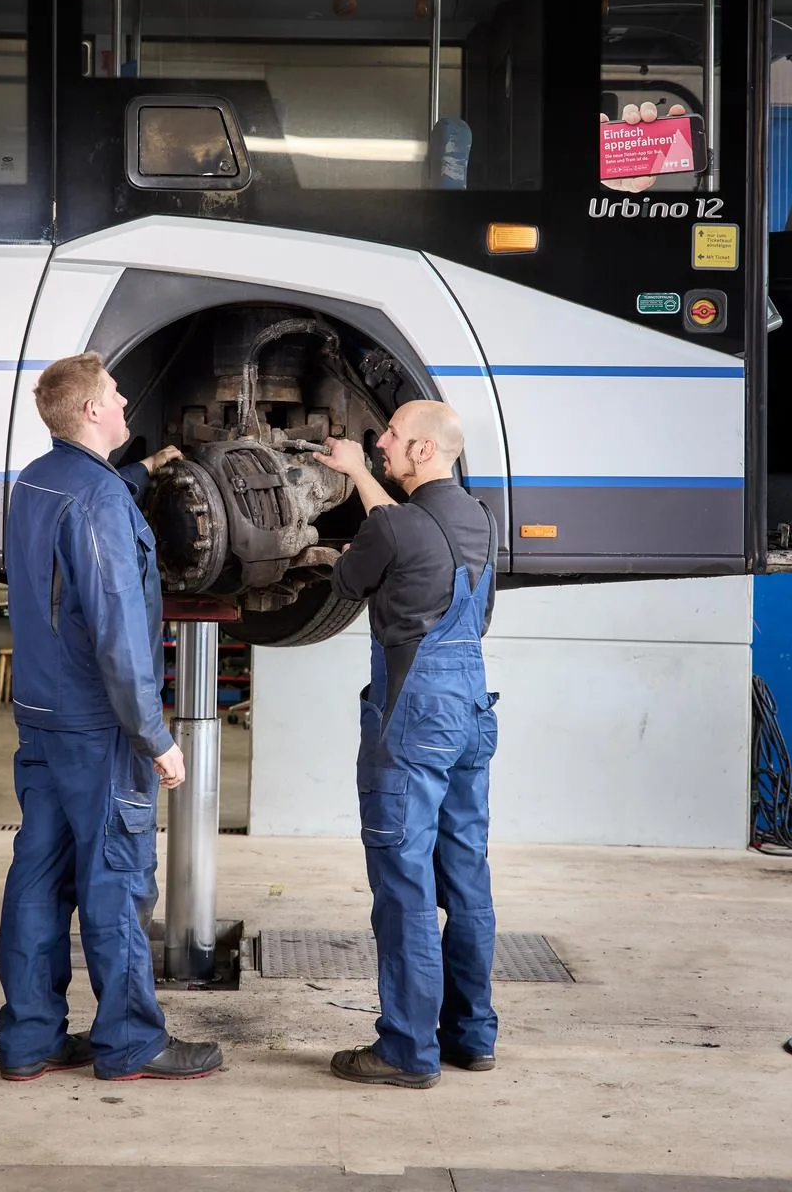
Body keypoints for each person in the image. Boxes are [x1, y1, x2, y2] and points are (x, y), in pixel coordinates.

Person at [0, 352, 223, 1083]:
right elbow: (118, 630)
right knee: (118, 879)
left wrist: (147, 470)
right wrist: (153, 735)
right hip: (99, 727)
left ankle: (29, 1040)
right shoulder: (96, 500)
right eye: (117, 395)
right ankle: (130, 1042)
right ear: (92, 410)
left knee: (38, 877)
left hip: (42, 717)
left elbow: (86, 515)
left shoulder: (38, 481)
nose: (125, 403)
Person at [313, 401, 499, 1089]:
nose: (381, 441)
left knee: (405, 883)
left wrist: (354, 518)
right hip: (471, 707)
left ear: (422, 450)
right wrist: (361, 474)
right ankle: (472, 1037)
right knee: (466, 876)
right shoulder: (482, 520)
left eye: (392, 434)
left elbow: (348, 579)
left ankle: (407, 1051)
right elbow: (475, 607)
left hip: (414, 716)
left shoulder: (392, 527)